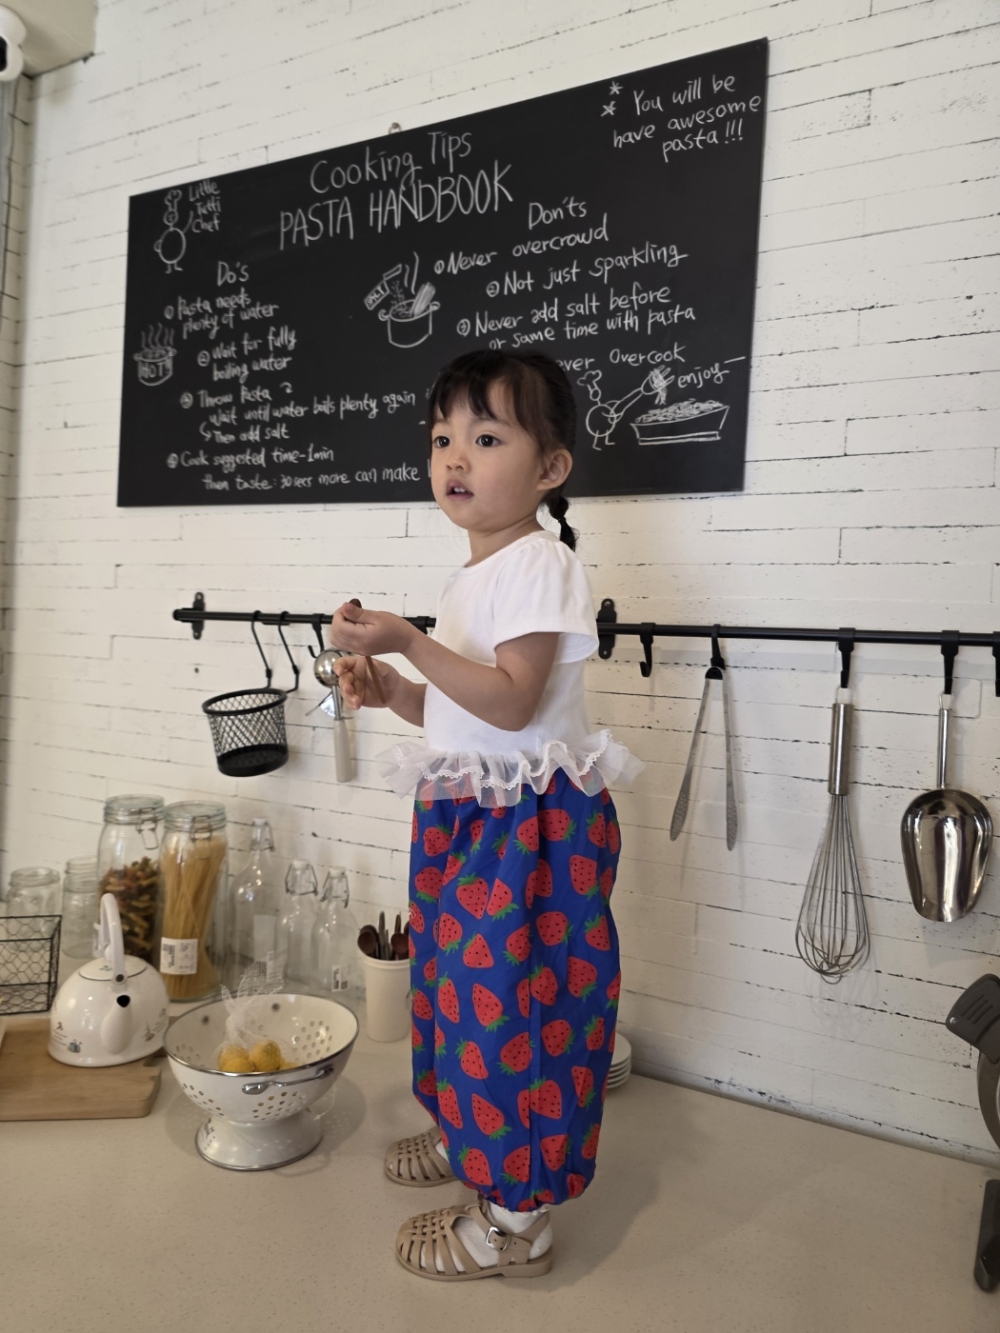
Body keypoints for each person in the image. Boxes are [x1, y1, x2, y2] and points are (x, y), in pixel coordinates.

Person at [330, 349, 641, 1281]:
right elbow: (467, 714)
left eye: (487, 437)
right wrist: (395, 688)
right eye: (442, 438)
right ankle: (474, 1137)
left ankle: (516, 1218)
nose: (455, 456)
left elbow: (513, 701)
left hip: (531, 834)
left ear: (551, 468)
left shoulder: (541, 562)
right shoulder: (472, 577)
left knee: (519, 1007)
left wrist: (407, 640)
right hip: (476, 815)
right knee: (458, 995)